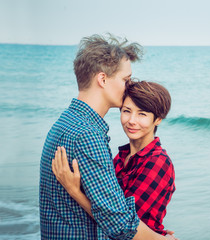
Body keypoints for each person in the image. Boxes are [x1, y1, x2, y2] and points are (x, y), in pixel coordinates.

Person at [39, 33, 177, 240]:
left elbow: (113, 210)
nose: (129, 87)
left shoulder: (66, 122)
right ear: (102, 79)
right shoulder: (87, 135)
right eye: (126, 79)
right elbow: (119, 223)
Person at [52, 80, 175, 235]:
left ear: (158, 119)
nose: (131, 120)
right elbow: (107, 210)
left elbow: (122, 225)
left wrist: (74, 191)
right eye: (126, 111)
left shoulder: (157, 162)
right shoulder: (121, 157)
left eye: (142, 114)